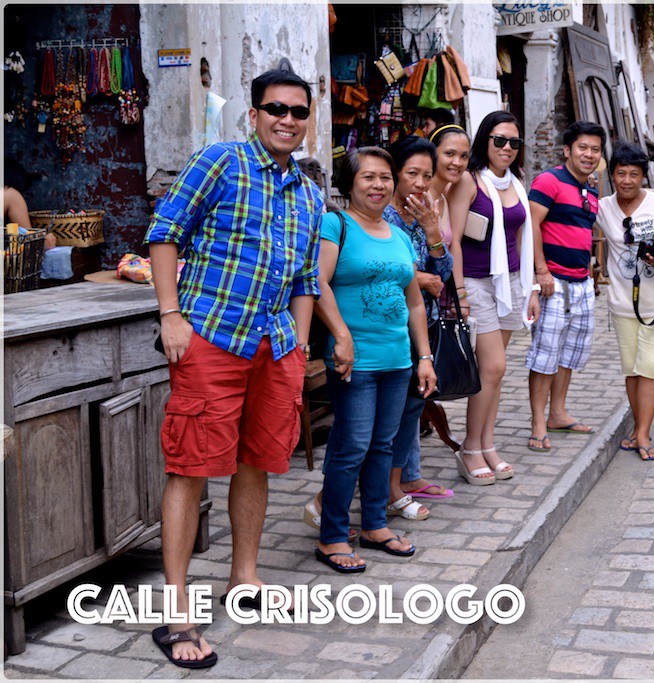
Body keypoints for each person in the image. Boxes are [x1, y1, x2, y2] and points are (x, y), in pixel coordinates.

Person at [145, 65, 323, 669]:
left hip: (273, 347)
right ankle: (174, 609)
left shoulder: (309, 192)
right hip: (211, 338)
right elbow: (164, 232)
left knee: (257, 462)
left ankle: (243, 579)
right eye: (277, 109)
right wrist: (171, 315)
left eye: (299, 112)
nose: (287, 120)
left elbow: (304, 277)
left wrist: (298, 346)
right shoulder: (221, 161)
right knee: (191, 466)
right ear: (254, 114)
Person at [313, 147, 436, 573]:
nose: (379, 185)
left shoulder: (400, 235)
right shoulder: (336, 225)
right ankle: (331, 536)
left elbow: (415, 302)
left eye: (385, 177)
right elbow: (319, 283)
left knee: (384, 445)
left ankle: (374, 525)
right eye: (369, 177)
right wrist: (341, 336)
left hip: (397, 360)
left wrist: (423, 357)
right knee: (351, 447)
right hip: (354, 361)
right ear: (349, 183)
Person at [448, 111, 539, 482]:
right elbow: (452, 237)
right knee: (494, 366)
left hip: (511, 282)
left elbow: (521, 237)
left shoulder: (516, 184)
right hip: (476, 282)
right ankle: (470, 447)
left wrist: (530, 287)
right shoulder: (470, 182)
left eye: (514, 143)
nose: (507, 148)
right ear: (485, 140)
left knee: (494, 373)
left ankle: (487, 443)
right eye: (499, 140)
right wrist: (458, 293)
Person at [596, 144, 654, 460]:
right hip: (623, 302)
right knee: (633, 370)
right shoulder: (603, 207)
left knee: (651, 367)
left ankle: (644, 434)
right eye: (620, 173)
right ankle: (638, 429)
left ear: (643, 177)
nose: (626, 180)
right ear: (612, 175)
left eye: (633, 174)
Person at [382, 135, 453, 516]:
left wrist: (432, 231)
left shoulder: (419, 216)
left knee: (412, 405)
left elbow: (444, 274)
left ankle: (403, 479)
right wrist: (418, 277)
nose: (422, 184)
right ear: (395, 172)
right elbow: (380, 266)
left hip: (424, 323)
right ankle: (390, 487)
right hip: (392, 322)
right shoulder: (384, 215)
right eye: (413, 173)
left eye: (427, 175)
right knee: (396, 410)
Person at [525, 120, 605, 453]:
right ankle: (538, 423)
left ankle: (557, 413)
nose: (589, 154)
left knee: (569, 353)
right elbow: (531, 226)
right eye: (582, 148)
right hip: (552, 282)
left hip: (581, 282)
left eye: (595, 150)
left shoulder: (592, 188)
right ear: (567, 150)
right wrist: (540, 272)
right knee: (544, 355)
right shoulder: (549, 181)